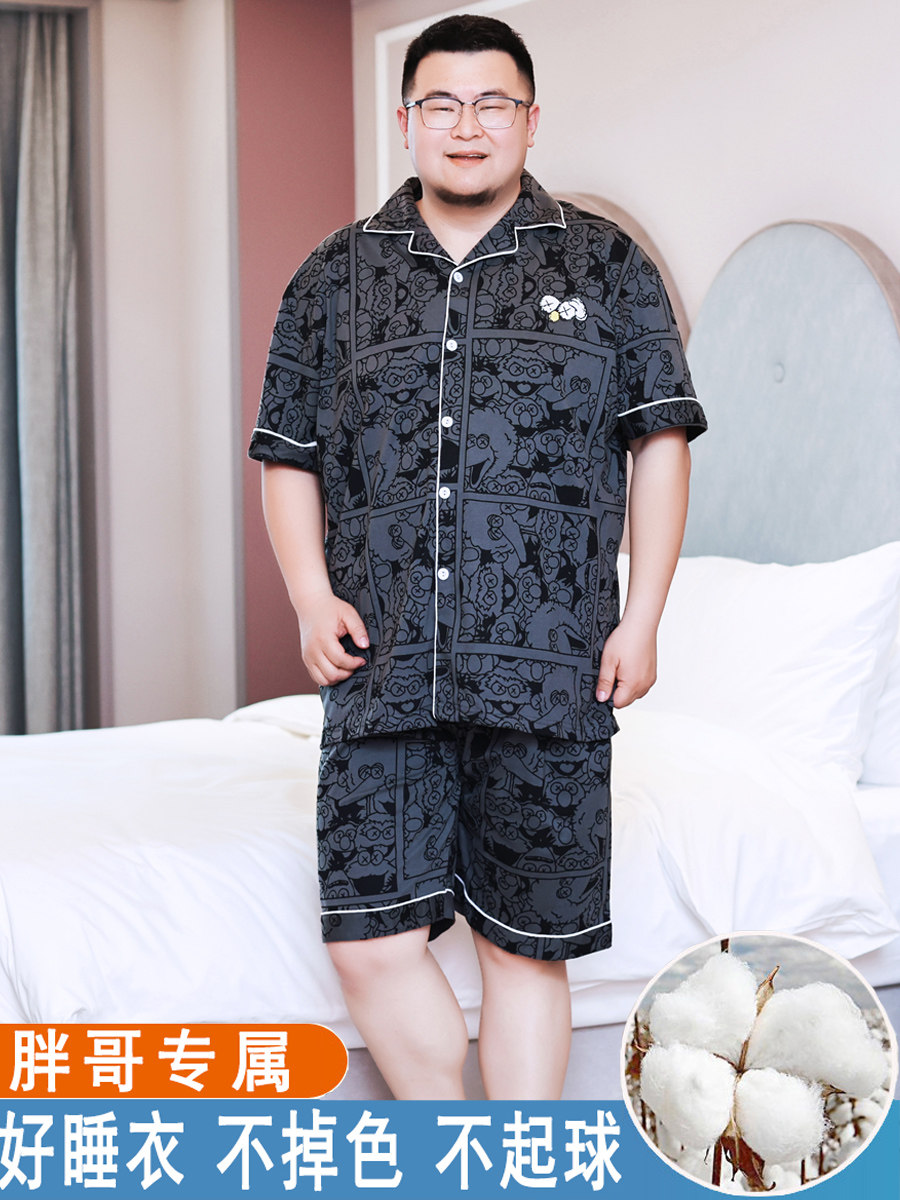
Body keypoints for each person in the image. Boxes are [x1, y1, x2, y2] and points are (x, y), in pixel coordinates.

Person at [248, 13, 707, 1101]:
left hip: (550, 668)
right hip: (383, 662)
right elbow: (287, 452)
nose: (467, 126)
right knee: (368, 938)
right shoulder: (332, 277)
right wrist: (309, 596)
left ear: (531, 121)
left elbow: (660, 443)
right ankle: (449, 1148)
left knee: (523, 946)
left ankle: (510, 1167)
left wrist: (643, 617)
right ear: (406, 120)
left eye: (492, 103)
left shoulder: (607, 266)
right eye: (442, 104)